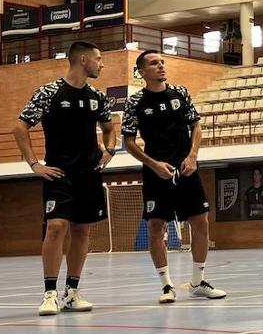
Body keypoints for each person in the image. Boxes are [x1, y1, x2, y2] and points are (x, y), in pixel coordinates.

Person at [12, 41, 118, 317]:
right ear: (83, 60)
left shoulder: (97, 96)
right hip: (59, 173)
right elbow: (20, 127)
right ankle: (50, 293)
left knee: (82, 230)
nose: (101, 63)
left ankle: (72, 292)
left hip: (89, 174)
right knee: (56, 226)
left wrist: (110, 149)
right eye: (98, 58)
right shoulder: (49, 93)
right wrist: (35, 164)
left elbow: (109, 128)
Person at [122, 50, 225, 303]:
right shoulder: (135, 102)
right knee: (156, 227)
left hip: (186, 168)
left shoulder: (181, 92)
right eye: (153, 63)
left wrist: (192, 157)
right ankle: (167, 286)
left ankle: (198, 281)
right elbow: (128, 141)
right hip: (156, 171)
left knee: (201, 222)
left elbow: (196, 126)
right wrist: (152, 164)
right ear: (142, 72)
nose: (160, 66)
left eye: (162, 62)